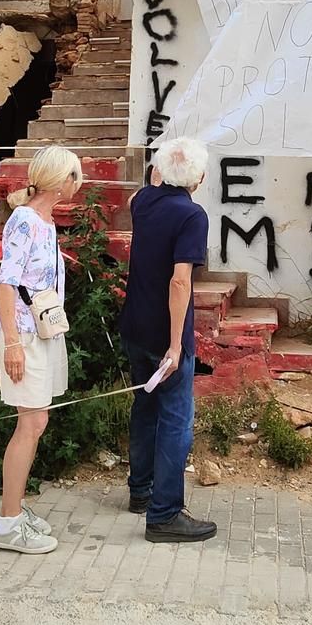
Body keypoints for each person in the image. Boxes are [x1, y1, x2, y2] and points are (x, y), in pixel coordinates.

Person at [118, 136, 217, 543]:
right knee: (176, 420)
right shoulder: (192, 216)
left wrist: (161, 170)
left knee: (145, 406)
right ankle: (164, 514)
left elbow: (147, 187)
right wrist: (176, 345)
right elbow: (181, 281)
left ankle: (140, 491)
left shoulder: (143, 202)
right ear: (201, 177)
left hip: (134, 326)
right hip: (164, 333)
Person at [0, 144, 82, 555]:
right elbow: (6, 281)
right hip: (24, 334)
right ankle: (7, 522)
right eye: (74, 176)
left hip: (42, 331)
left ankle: (15, 508)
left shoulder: (45, 220)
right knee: (31, 423)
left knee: (37, 421)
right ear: (62, 181)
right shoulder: (25, 220)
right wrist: (12, 343)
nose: (78, 183)